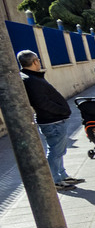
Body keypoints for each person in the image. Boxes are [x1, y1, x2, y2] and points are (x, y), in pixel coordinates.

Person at [18, 50, 79, 191]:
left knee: (59, 150)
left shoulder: (32, 77)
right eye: (38, 60)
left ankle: (62, 175)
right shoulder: (31, 79)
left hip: (54, 120)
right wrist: (62, 110)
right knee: (55, 152)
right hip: (52, 121)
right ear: (35, 62)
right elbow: (42, 102)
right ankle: (55, 180)